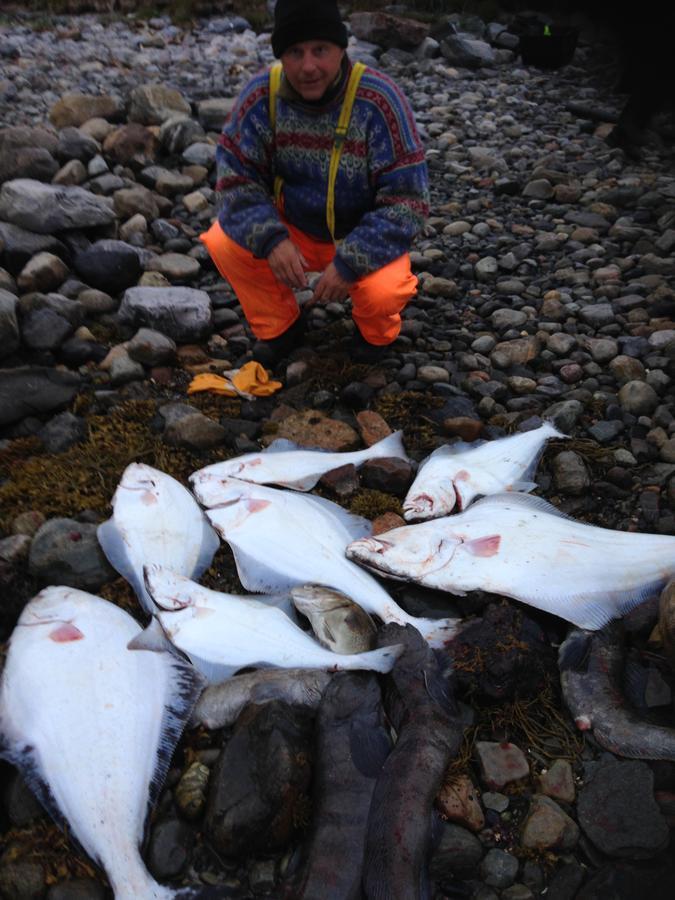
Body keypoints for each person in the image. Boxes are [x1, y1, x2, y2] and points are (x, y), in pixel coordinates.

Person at [200, 0, 430, 368]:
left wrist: (352, 261)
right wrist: (271, 239)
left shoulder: (380, 100)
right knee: (222, 241)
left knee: (383, 292)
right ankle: (281, 327)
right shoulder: (261, 96)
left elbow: (408, 202)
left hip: (361, 232)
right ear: (281, 56)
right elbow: (235, 181)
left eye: (320, 50)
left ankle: (374, 333)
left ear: (341, 49)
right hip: (294, 231)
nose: (309, 67)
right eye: (295, 52)